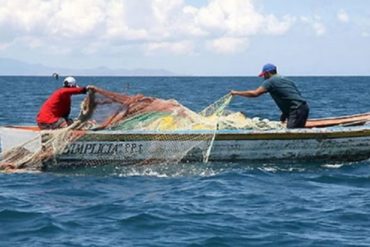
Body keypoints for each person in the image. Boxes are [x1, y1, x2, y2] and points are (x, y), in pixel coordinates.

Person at [230, 64, 309, 128]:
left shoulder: (270, 81)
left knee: (291, 134)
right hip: (303, 107)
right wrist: (285, 114)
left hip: (296, 110)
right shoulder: (287, 80)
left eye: (264, 75)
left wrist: (236, 93)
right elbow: (292, 97)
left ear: (267, 73)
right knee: (297, 131)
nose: (263, 77)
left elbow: (255, 93)